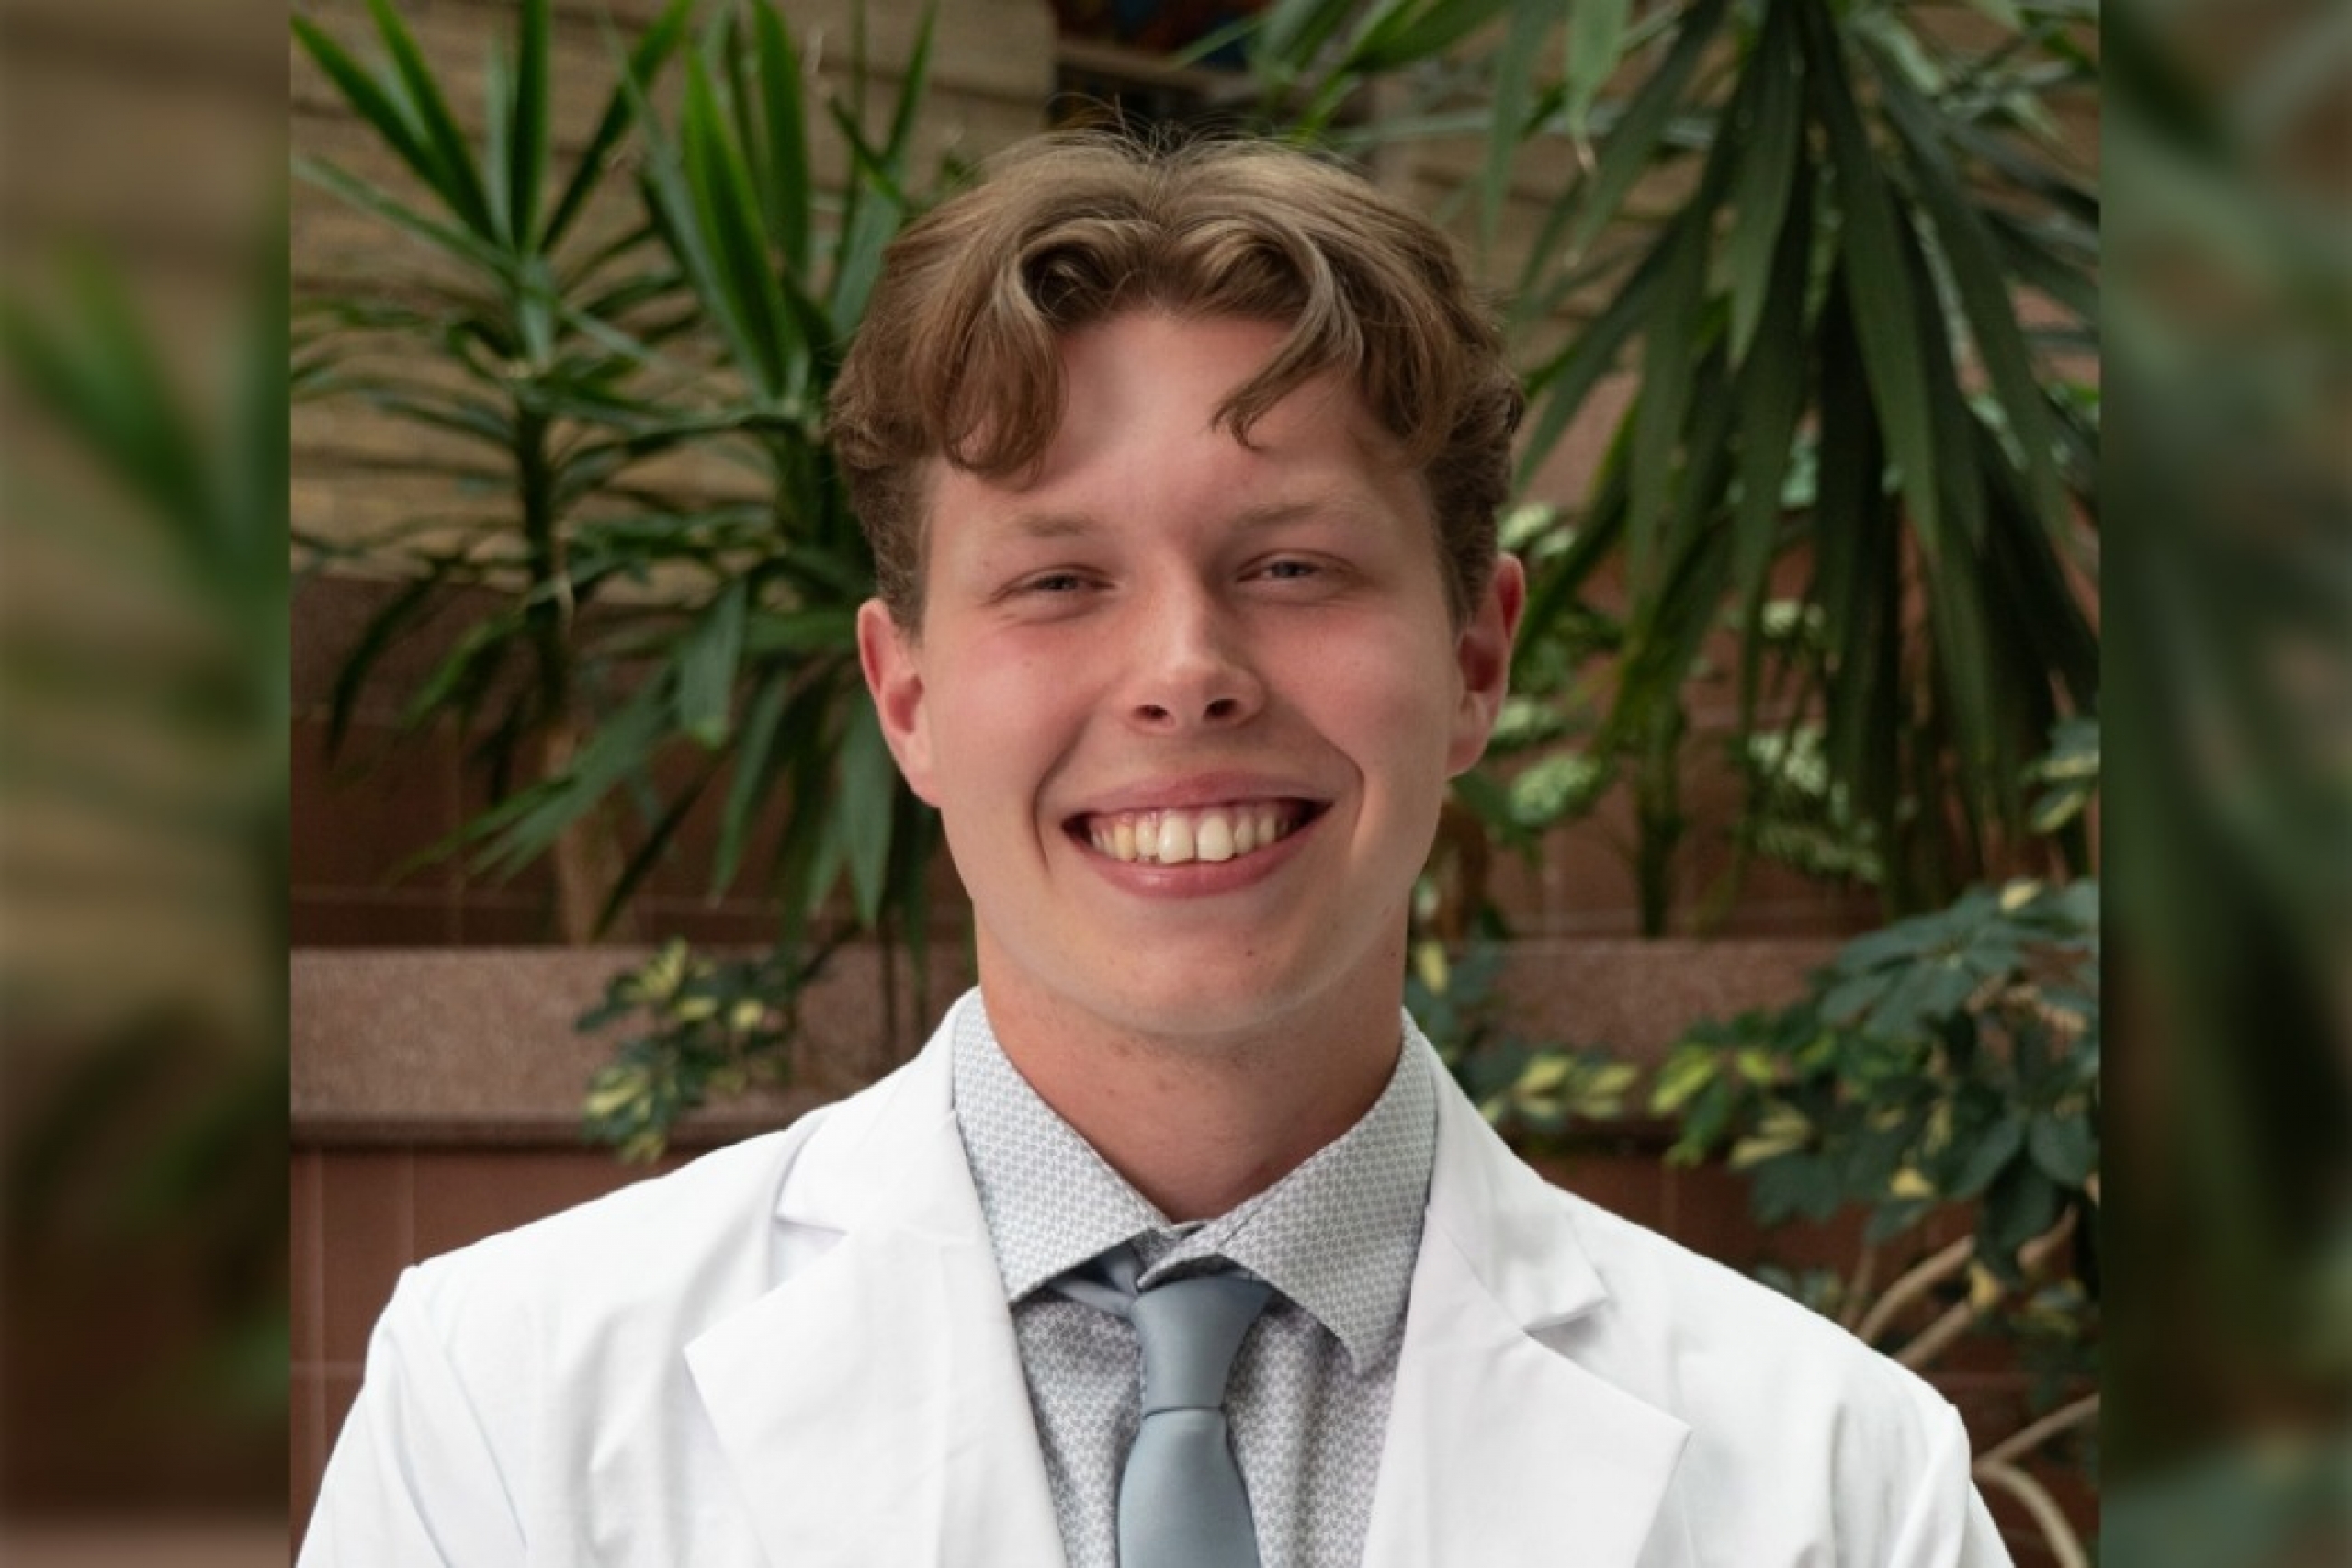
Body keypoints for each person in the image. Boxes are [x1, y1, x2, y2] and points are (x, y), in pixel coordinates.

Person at [301, 133, 2015, 1566]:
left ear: (1479, 659)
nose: (1185, 671)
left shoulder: (1841, 1485)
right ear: (907, 699)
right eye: (1058, 581)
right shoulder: (511, 1409)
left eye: (1292, 566)